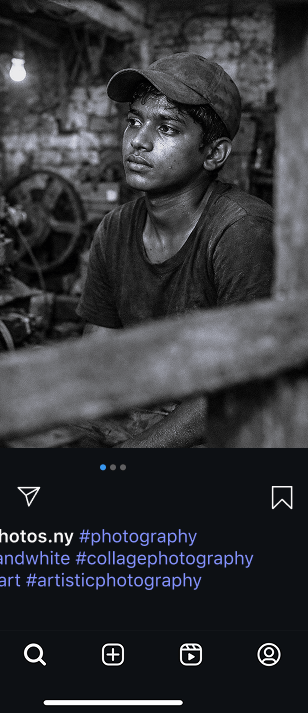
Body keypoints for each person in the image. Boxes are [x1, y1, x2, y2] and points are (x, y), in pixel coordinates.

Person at [76, 53, 273, 448]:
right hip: (149, 416)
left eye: (166, 127)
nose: (138, 141)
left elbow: (239, 386)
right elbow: (97, 355)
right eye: (134, 120)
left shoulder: (242, 232)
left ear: (214, 154)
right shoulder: (115, 229)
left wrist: (136, 452)